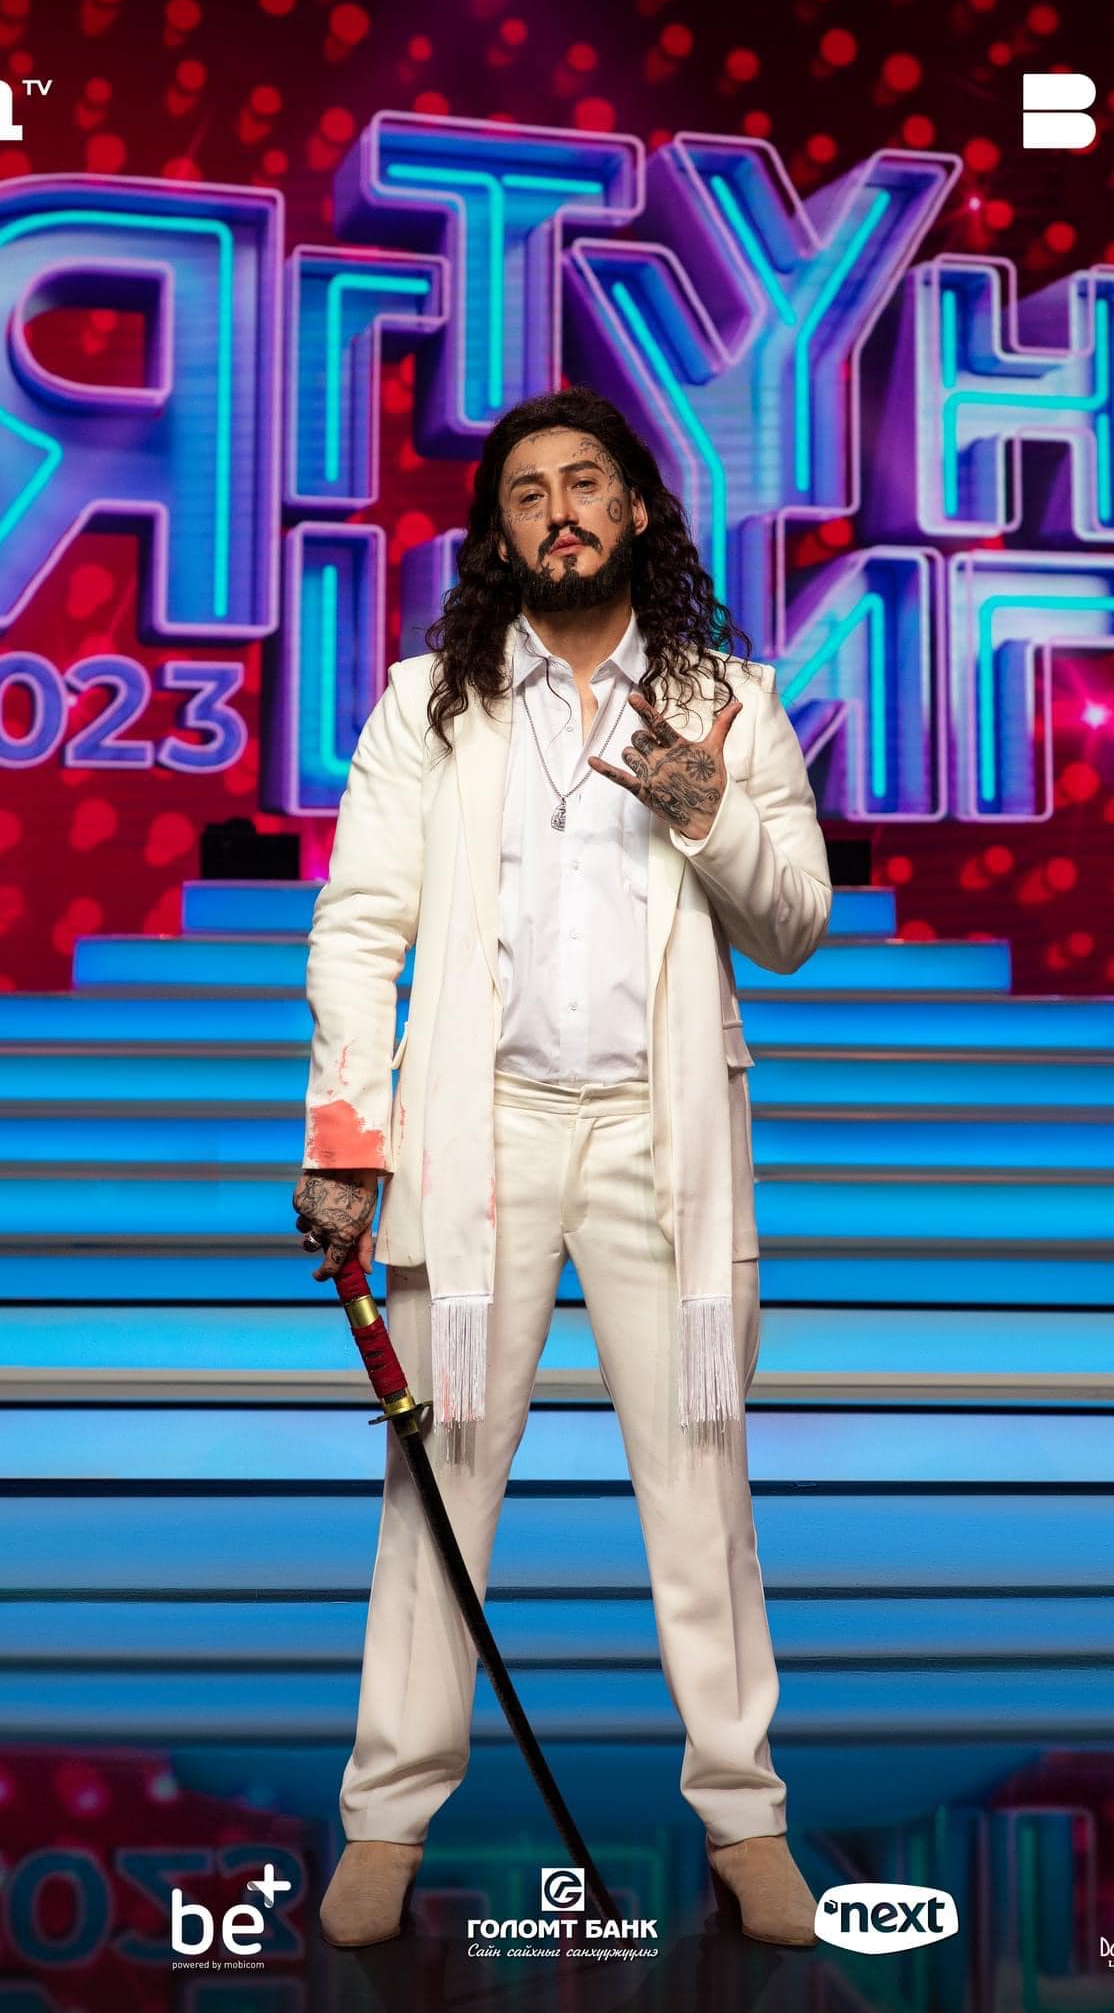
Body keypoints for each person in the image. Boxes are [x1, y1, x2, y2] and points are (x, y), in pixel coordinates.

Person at [292, 385, 834, 1949]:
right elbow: (360, 928)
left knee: (702, 1484)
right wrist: (346, 1140)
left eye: (586, 483)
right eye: (527, 494)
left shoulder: (728, 699)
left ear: (638, 510)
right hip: (486, 1138)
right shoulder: (429, 706)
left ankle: (745, 1817)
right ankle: (388, 1817)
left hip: (664, 1143)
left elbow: (793, 925)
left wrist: (704, 808)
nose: (560, 512)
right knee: (440, 1480)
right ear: (499, 535)